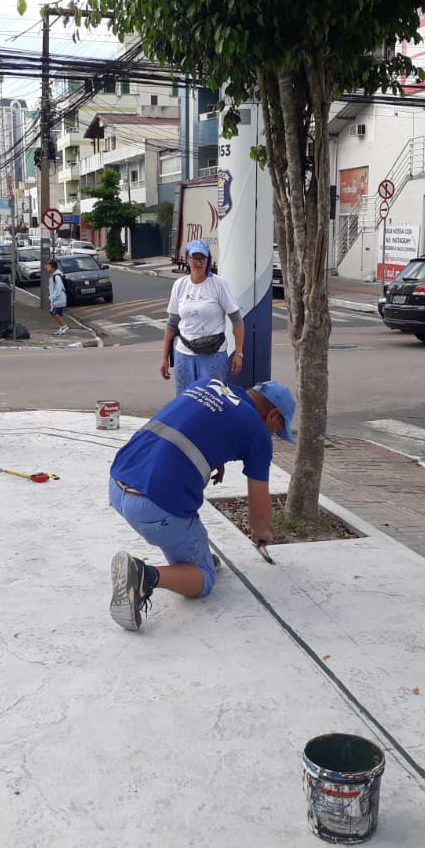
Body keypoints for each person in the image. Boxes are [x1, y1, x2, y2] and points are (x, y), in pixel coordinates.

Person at [107, 378, 297, 631]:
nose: (273, 435)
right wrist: (262, 533)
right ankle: (144, 576)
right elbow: (260, 511)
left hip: (118, 481)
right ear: (274, 413)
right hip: (154, 506)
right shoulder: (257, 433)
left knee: (197, 550)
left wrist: (216, 457)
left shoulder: (209, 385)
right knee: (205, 580)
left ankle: (197, 559)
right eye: (277, 429)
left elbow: (196, 424)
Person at [161, 239, 244, 394]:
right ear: (187, 259)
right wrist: (164, 358)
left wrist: (239, 353)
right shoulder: (180, 285)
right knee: (185, 400)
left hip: (213, 354)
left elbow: (237, 321)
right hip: (184, 354)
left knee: (213, 400)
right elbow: (172, 324)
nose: (198, 263)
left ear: (208, 260)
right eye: (194, 258)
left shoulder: (220, 285)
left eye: (202, 258)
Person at [47, 259, 68, 335]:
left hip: (59, 298)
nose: (47, 268)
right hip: (59, 298)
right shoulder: (53, 275)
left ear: (53, 268)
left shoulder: (56, 276)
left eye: (49, 267)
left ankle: (64, 326)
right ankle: (61, 328)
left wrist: (53, 297)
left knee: (53, 312)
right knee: (59, 314)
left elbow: (59, 288)